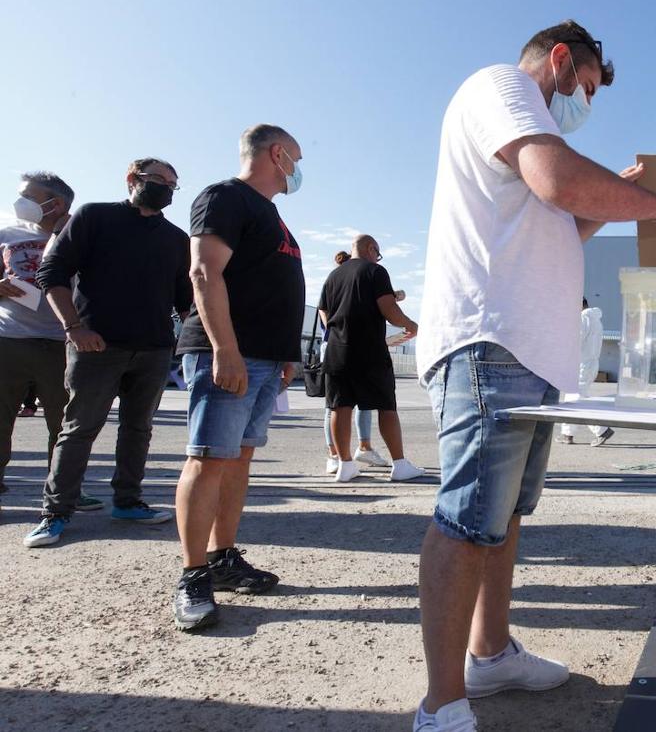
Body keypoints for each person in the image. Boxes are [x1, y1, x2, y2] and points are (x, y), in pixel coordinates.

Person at [413, 19, 656, 731]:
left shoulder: (527, 130)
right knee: (466, 518)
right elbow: (558, 179)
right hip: (492, 340)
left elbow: (556, 217)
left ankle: (490, 654)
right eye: (586, 88)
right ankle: (441, 705)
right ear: (561, 59)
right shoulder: (503, 86)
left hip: (529, 351)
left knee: (503, 517)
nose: (585, 103)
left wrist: (613, 200)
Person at [170, 124, 306, 632]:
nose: (298, 168)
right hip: (229, 354)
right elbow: (205, 272)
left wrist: (284, 354)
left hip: (266, 359)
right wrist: (225, 350)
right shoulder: (225, 197)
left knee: (238, 459)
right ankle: (192, 575)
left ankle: (223, 557)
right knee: (208, 460)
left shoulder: (270, 213)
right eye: (295, 157)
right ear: (277, 154)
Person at [23, 158, 192, 548]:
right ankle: (56, 513)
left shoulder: (175, 239)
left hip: (152, 350)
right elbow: (52, 273)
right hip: (96, 345)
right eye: (158, 180)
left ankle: (128, 502)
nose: (165, 188)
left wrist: (191, 340)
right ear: (132, 179)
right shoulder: (94, 218)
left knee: (138, 430)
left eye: (172, 184)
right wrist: (74, 328)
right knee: (79, 429)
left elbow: (184, 298)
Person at [317, 233, 422, 483]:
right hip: (369, 349)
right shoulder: (375, 271)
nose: (377, 257)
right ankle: (399, 464)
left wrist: (338, 329)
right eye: (377, 252)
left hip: (336, 349)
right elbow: (388, 308)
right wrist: (410, 325)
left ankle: (345, 464)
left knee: (339, 406)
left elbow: (324, 310)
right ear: (371, 248)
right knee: (386, 406)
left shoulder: (333, 276)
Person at [0, 172, 75, 514]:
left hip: (62, 342)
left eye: (28, 196)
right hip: (9, 339)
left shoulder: (81, 234)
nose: (20, 202)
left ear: (55, 203)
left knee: (65, 425)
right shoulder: (7, 233)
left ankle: (61, 493)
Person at [320, 250, 385, 473]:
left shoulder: (336, 279)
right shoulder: (337, 279)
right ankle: (336, 454)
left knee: (345, 402)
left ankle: (351, 452)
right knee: (336, 404)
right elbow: (324, 311)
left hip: (342, 345)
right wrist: (340, 331)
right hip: (337, 346)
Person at [555, 298, 612, 446]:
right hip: (589, 363)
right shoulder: (595, 319)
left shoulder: (583, 318)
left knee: (576, 400)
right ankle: (567, 434)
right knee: (572, 399)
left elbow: (575, 341)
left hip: (581, 365)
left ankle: (602, 430)